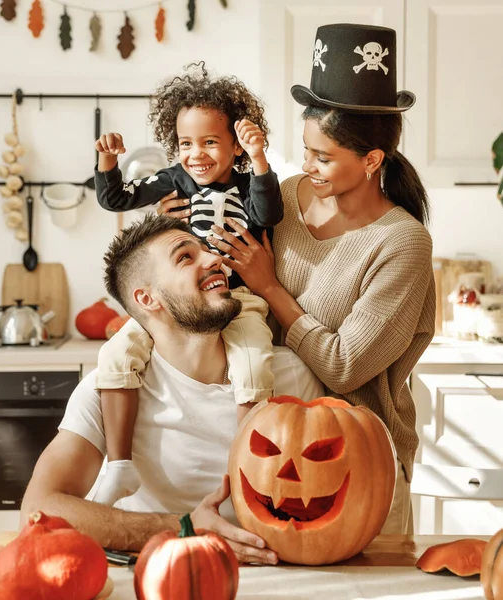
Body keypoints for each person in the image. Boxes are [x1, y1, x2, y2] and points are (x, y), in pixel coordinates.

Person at [175, 23, 436, 535]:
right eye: (305, 150)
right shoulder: (282, 197)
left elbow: (345, 366)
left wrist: (271, 287)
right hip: (266, 456)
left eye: (324, 157)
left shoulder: (401, 242)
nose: (308, 167)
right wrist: (178, 220)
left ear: (372, 160)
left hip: (355, 467)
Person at [20, 214, 324, 563]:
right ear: (148, 299)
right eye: (185, 257)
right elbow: (38, 509)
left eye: (206, 250)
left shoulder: (291, 375)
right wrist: (186, 527)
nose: (215, 260)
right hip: (156, 572)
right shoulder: (107, 391)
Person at [92, 62, 284, 506]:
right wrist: (108, 161)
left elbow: (269, 214)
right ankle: (119, 465)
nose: (196, 154)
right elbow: (115, 198)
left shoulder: (248, 181)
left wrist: (258, 161)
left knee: (254, 360)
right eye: (185, 143)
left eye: (210, 142)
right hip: (180, 303)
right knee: (117, 352)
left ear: (235, 144)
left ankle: (246, 466)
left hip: (237, 299)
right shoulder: (173, 180)